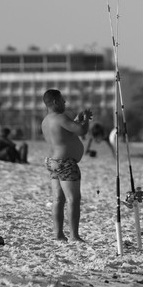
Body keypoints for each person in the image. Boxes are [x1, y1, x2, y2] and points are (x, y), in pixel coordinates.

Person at [41, 89, 92, 243]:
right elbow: (81, 130)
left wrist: (77, 119)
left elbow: (66, 134)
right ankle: (74, 236)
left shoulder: (46, 121)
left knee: (57, 199)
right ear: (55, 102)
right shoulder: (60, 117)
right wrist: (87, 119)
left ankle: (58, 234)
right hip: (65, 163)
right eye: (62, 100)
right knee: (73, 199)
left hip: (52, 162)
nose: (65, 102)